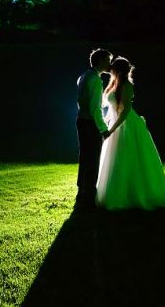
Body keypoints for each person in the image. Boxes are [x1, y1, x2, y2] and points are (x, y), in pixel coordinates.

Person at [96, 56, 165, 210]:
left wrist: (111, 130)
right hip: (115, 123)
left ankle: (133, 192)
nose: (110, 69)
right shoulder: (113, 84)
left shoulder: (126, 86)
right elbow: (112, 110)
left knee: (128, 157)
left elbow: (125, 111)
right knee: (116, 158)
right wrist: (106, 124)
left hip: (127, 125)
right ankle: (118, 192)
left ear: (118, 71)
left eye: (113, 68)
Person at [75, 48, 113, 210]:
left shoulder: (84, 76)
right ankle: (89, 196)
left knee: (85, 157)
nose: (110, 64)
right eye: (107, 60)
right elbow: (95, 109)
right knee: (92, 159)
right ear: (100, 61)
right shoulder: (96, 80)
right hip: (90, 124)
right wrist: (104, 129)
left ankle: (81, 192)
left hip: (81, 120)